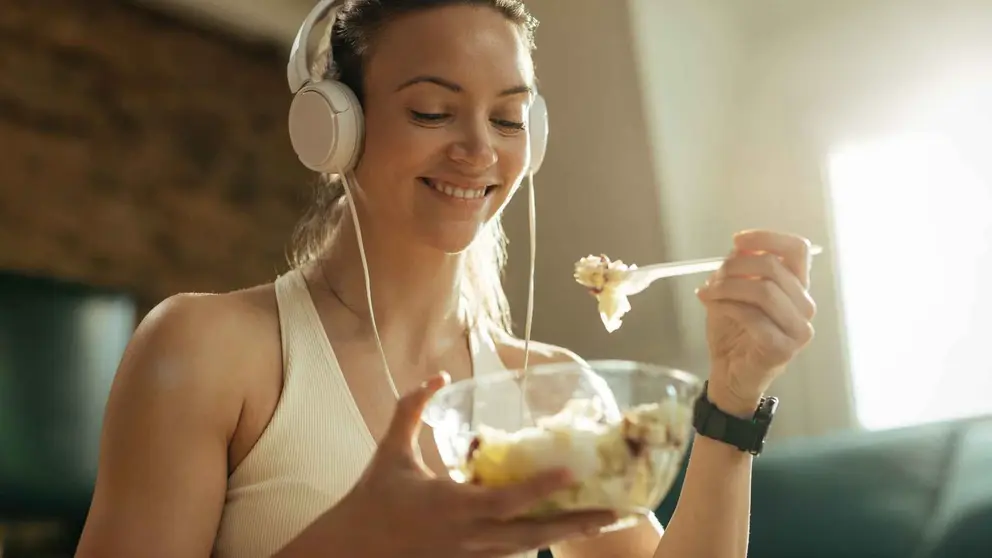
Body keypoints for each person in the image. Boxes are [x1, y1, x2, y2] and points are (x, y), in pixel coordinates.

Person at [75, 0, 818, 557]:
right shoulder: (206, 351)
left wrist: (733, 401)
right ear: (336, 128)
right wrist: (355, 540)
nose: (478, 151)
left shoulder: (550, 390)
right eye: (432, 111)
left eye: (507, 119)